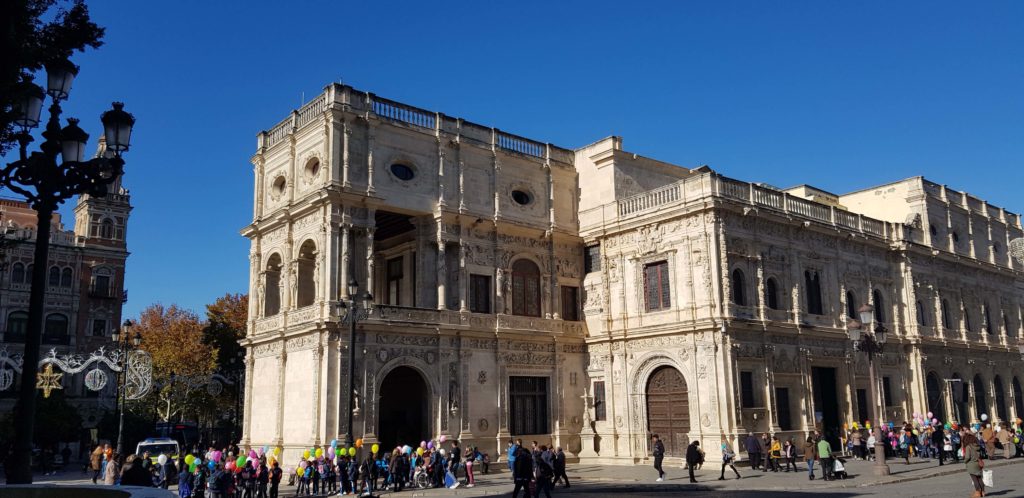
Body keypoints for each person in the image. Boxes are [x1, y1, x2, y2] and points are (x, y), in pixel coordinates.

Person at [962, 432, 986, 497]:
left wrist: (965, 461)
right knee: (979, 478)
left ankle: (977, 492)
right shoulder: (977, 446)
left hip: (971, 464)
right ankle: (983, 492)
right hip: (978, 463)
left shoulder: (968, 447)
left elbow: (967, 457)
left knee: (974, 479)